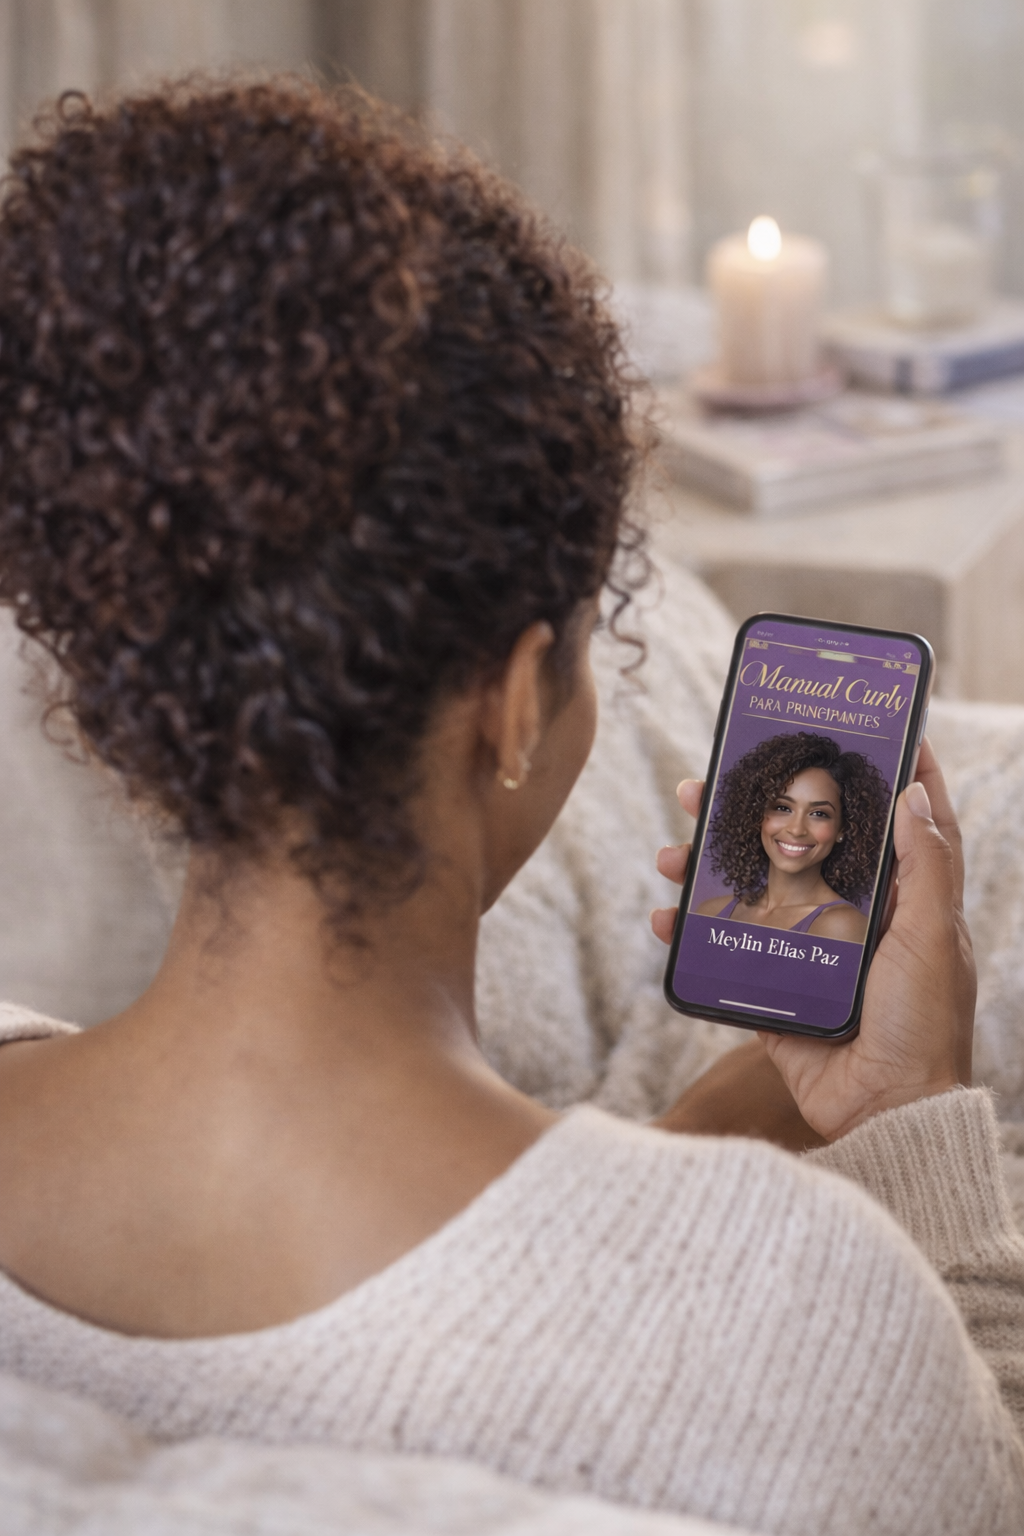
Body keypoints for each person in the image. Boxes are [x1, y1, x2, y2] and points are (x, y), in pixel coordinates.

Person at [0, 78, 1020, 1536]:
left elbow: (455, 1310)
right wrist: (915, 1124)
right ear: (518, 695)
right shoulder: (811, 1329)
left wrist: (724, 1125)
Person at [696, 731, 889, 941]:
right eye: (782, 807)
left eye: (819, 814)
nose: (797, 829)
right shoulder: (710, 912)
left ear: (842, 829)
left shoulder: (842, 926)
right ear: (756, 814)